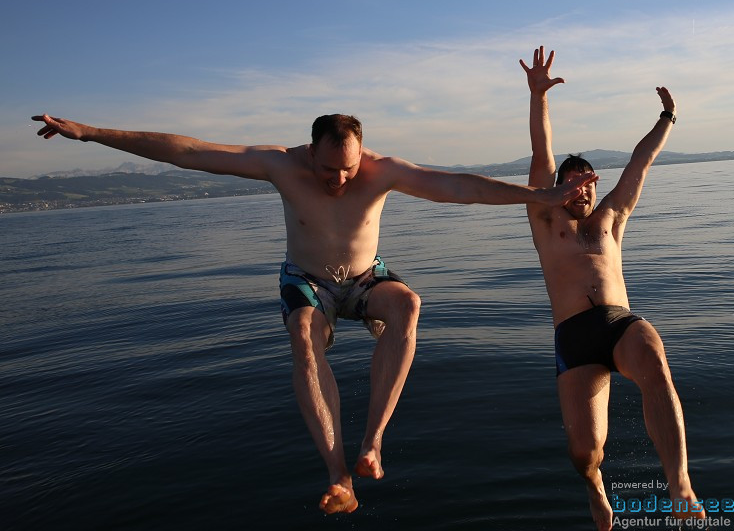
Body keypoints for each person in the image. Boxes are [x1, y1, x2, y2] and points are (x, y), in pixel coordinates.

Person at [32, 111, 595, 515]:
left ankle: (373, 443)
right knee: (303, 334)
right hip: (308, 282)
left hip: (366, 276)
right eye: (329, 170)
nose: (339, 180)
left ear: (360, 155)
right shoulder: (278, 166)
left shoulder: (381, 170)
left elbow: (459, 187)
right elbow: (185, 150)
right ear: (310, 152)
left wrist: (539, 197)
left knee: (408, 305)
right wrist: (87, 132)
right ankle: (337, 476)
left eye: (348, 170)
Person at [518, 47, 704, 530]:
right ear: (557, 189)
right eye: (572, 183)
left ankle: (679, 484)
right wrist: (538, 97)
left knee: (654, 359)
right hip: (574, 337)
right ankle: (596, 488)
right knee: (585, 451)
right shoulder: (544, 218)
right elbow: (542, 154)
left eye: (588, 184)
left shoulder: (610, 219)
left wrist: (668, 117)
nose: (581, 191)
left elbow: (640, 163)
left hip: (619, 322)